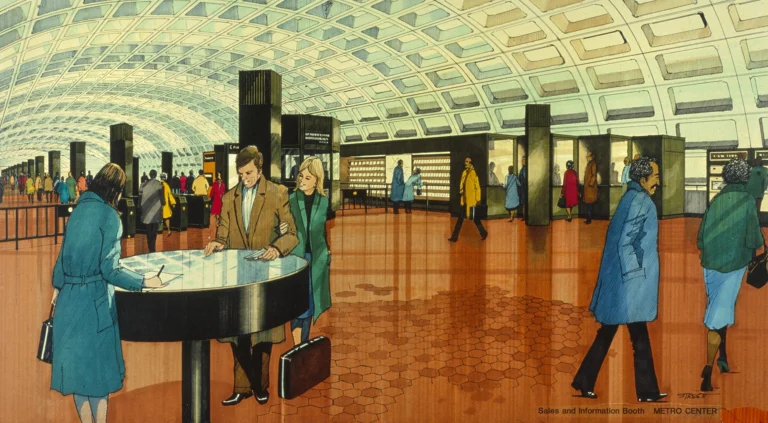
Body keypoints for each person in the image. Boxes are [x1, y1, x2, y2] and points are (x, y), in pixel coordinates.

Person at [49, 163, 165, 423]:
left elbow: (62, 257)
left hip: (69, 300)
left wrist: (58, 288)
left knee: (79, 375)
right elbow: (110, 270)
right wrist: (145, 280)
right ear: (115, 191)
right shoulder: (111, 217)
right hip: (95, 303)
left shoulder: (79, 209)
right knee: (98, 377)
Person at [203, 146, 298, 407]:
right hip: (237, 276)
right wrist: (218, 243)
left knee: (263, 334)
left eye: (248, 173)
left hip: (266, 275)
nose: (244, 178)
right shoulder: (231, 197)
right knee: (239, 334)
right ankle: (244, 387)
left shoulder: (278, 193)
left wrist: (277, 248)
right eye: (240, 173)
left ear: (260, 169)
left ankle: (259, 386)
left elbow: (291, 234)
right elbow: (223, 232)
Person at [571, 157, 667, 403]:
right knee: (635, 336)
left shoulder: (630, 197)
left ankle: (585, 380)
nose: (658, 180)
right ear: (643, 179)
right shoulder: (641, 201)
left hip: (623, 280)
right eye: (655, 176)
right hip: (629, 282)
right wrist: (635, 277)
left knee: (615, 333)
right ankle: (646, 392)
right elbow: (627, 241)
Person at [697, 158, 763, 391]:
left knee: (717, 306)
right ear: (745, 178)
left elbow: (701, 237)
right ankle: (708, 369)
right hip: (734, 265)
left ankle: (722, 358)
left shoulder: (715, 200)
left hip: (710, 264)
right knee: (719, 314)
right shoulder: (746, 200)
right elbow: (754, 237)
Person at [279, 157, 332, 345]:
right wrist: (281, 229)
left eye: (308, 178)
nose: (302, 180)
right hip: (296, 258)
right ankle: (298, 345)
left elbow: (322, 231)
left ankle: (303, 343)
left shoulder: (323, 202)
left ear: (317, 180)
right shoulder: (291, 199)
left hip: (316, 259)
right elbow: (280, 226)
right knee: (297, 302)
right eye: (301, 176)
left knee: (310, 303)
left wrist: (326, 255)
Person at [448, 157, 487, 242]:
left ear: (471, 163)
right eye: (465, 161)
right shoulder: (464, 172)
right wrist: (461, 191)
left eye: (467, 162)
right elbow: (462, 184)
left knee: (475, 219)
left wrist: (478, 199)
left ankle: (483, 232)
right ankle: (454, 237)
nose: (465, 163)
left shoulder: (473, 173)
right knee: (460, 219)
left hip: (471, 200)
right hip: (464, 200)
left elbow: (478, 187)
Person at [139, 170, 164, 253]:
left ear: (149, 175)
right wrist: (163, 203)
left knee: (148, 227)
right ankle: (152, 245)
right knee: (154, 228)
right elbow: (162, 198)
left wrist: (139, 206)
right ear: (156, 175)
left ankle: (149, 244)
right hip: (156, 208)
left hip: (146, 208)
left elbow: (140, 197)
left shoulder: (143, 185)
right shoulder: (159, 184)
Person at [583, 151, 598, 224]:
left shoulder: (593, 164)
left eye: (588, 156)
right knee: (588, 204)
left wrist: (590, 184)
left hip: (590, 188)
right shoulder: (589, 164)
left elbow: (593, 175)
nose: (587, 157)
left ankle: (589, 219)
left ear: (591, 157)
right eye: (587, 156)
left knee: (589, 204)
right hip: (588, 188)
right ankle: (588, 218)